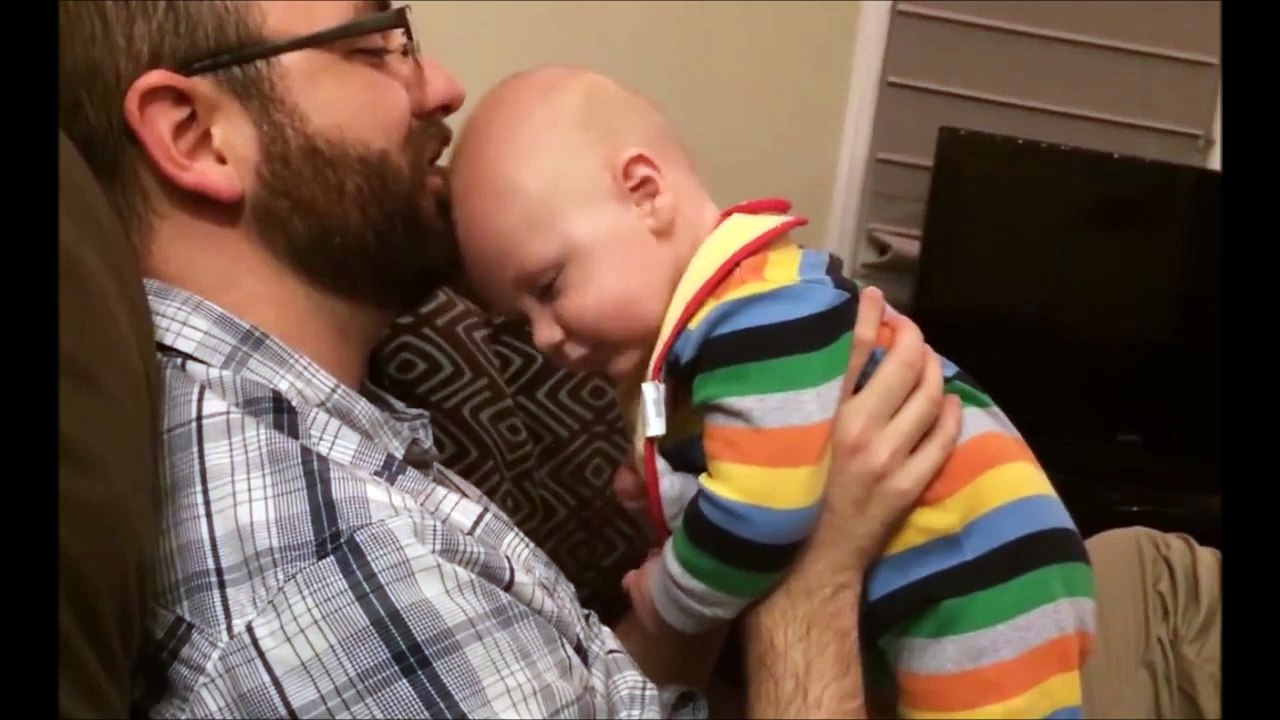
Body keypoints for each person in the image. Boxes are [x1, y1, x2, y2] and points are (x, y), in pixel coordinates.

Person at [58, 1, 964, 717]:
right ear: (195, 134)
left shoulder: (329, 412)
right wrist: (811, 572)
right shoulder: (338, 586)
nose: (442, 86)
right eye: (376, 42)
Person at [449, 67, 1096, 718]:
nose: (542, 338)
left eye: (550, 286)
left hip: (980, 573)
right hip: (927, 579)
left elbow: (762, 512)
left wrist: (667, 595)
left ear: (646, 194)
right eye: (519, 316)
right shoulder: (698, 341)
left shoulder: (757, 317)